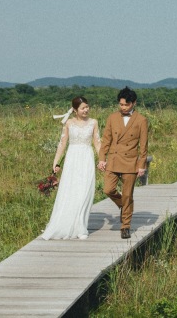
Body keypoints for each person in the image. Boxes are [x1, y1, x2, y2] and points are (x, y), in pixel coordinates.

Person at [41, 96, 101, 240]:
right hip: (72, 159)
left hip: (86, 158)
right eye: (83, 108)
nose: (86, 110)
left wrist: (102, 160)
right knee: (71, 190)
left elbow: (97, 143)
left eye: (87, 107)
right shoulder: (69, 123)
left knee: (85, 191)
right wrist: (56, 162)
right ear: (75, 110)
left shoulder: (93, 122)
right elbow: (62, 144)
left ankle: (81, 226)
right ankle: (66, 223)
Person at [97, 86, 148, 239]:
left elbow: (143, 146)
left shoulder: (141, 120)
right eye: (121, 104)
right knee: (108, 189)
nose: (123, 107)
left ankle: (125, 226)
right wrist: (101, 158)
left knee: (127, 195)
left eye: (126, 104)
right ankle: (123, 206)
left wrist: (141, 165)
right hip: (113, 159)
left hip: (130, 161)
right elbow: (106, 140)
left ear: (134, 103)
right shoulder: (112, 117)